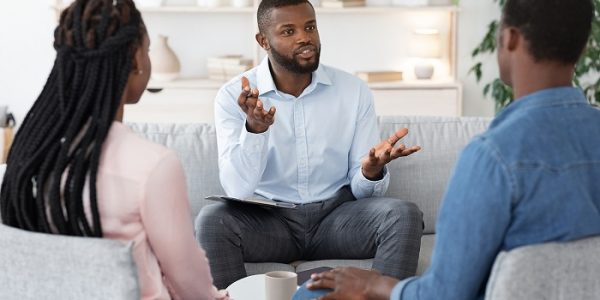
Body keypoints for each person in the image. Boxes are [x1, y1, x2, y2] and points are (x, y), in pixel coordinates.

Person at [296, 0, 600, 299]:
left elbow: (444, 293)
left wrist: (372, 285)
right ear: (584, 46)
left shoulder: (492, 157)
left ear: (510, 39)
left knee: (309, 294)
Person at [0, 1, 227, 299]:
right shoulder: (153, 165)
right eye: (146, 50)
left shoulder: (29, 155)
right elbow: (189, 281)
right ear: (135, 60)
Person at [195, 0, 424, 289]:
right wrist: (255, 129)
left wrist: (370, 171)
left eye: (310, 27)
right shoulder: (234, 97)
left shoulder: (353, 91)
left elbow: (362, 191)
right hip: (269, 223)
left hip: (336, 219)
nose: (304, 37)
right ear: (263, 40)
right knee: (212, 220)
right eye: (288, 31)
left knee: (404, 214)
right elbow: (237, 190)